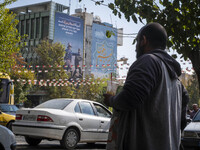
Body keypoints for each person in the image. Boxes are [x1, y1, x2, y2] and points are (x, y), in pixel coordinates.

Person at [103, 22, 189, 150]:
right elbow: (183, 118)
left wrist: (110, 100)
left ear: (143, 40)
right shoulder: (176, 80)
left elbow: (130, 98)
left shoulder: (148, 61)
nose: (135, 48)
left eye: (137, 42)